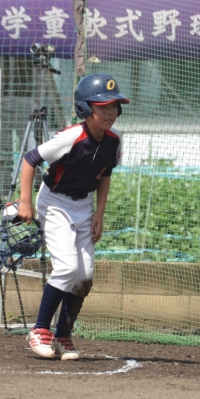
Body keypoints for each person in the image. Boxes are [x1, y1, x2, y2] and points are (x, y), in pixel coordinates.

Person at [17, 73, 129, 360]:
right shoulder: (70, 137)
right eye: (102, 106)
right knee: (67, 267)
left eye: (114, 106)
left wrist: (99, 213)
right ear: (84, 108)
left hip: (84, 205)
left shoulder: (115, 140)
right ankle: (39, 330)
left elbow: (105, 174)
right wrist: (25, 201)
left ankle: (62, 336)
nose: (110, 112)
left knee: (84, 275)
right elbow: (30, 159)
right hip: (55, 202)